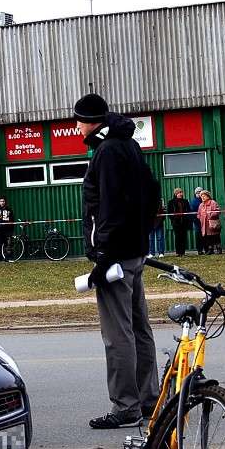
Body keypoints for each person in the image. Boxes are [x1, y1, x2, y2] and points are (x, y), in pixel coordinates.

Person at [72, 93, 161, 429]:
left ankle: (126, 407)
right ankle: (149, 399)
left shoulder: (106, 151)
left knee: (117, 333)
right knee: (139, 327)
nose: (76, 126)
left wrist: (103, 256)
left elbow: (108, 207)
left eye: (78, 120)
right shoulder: (128, 145)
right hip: (134, 250)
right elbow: (152, 191)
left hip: (115, 257)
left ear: (88, 120)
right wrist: (142, 230)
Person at [167, 188, 191, 257]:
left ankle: (183, 251)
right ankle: (178, 252)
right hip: (176, 223)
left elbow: (189, 210)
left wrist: (188, 219)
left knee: (183, 237)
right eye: (179, 193)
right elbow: (169, 212)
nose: (181, 194)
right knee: (178, 237)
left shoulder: (185, 201)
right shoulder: (171, 202)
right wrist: (173, 219)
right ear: (175, 194)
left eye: (181, 193)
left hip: (184, 222)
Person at [0, 196, 15, 262]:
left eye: (3, 201)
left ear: (5, 202)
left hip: (7, 231)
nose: (2, 203)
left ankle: (7, 258)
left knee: (8, 246)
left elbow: (12, 220)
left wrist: (11, 230)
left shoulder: (9, 210)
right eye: (1, 201)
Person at [197, 190, 223, 254]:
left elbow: (218, 211)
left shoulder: (213, 203)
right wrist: (200, 218)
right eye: (201, 196)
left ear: (208, 197)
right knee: (208, 238)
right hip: (205, 225)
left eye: (204, 196)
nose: (203, 198)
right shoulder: (201, 205)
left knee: (216, 236)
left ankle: (219, 248)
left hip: (213, 223)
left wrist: (211, 215)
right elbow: (198, 214)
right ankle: (210, 249)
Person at [190, 187, 204, 254]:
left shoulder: (204, 200)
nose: (199, 194)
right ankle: (200, 250)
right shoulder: (193, 201)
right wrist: (196, 219)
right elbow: (193, 211)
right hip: (197, 220)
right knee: (199, 235)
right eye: (198, 193)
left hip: (204, 220)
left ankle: (207, 249)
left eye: (200, 193)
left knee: (205, 235)